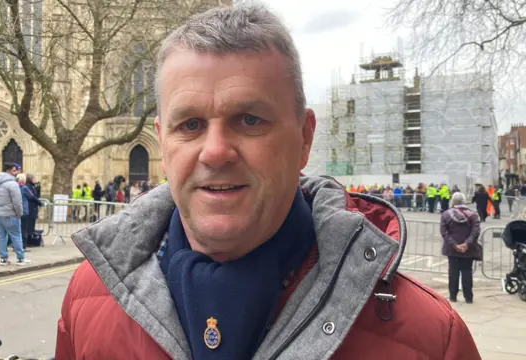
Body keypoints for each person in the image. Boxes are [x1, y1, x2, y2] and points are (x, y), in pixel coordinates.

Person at [55, 4, 480, 360]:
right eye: (190, 124)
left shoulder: (430, 339)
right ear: (163, 141)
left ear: (304, 139)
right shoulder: (86, 298)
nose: (215, 151)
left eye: (250, 119)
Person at [440, 193, 482, 303]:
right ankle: (468, 297)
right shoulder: (473, 215)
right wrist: (467, 244)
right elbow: (476, 231)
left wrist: (454, 244)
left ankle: (453, 296)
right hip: (469, 249)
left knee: (453, 272)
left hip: (452, 249)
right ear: (464, 201)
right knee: (467, 271)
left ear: (453, 201)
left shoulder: (446, 214)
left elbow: (444, 232)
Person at [0, 163, 30, 265]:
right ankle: (21, 258)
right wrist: (19, 213)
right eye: (14, 170)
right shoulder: (12, 184)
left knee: (1, 236)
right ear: (8, 171)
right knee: (16, 236)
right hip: (10, 214)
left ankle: (3, 258)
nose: (16, 172)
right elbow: (17, 201)